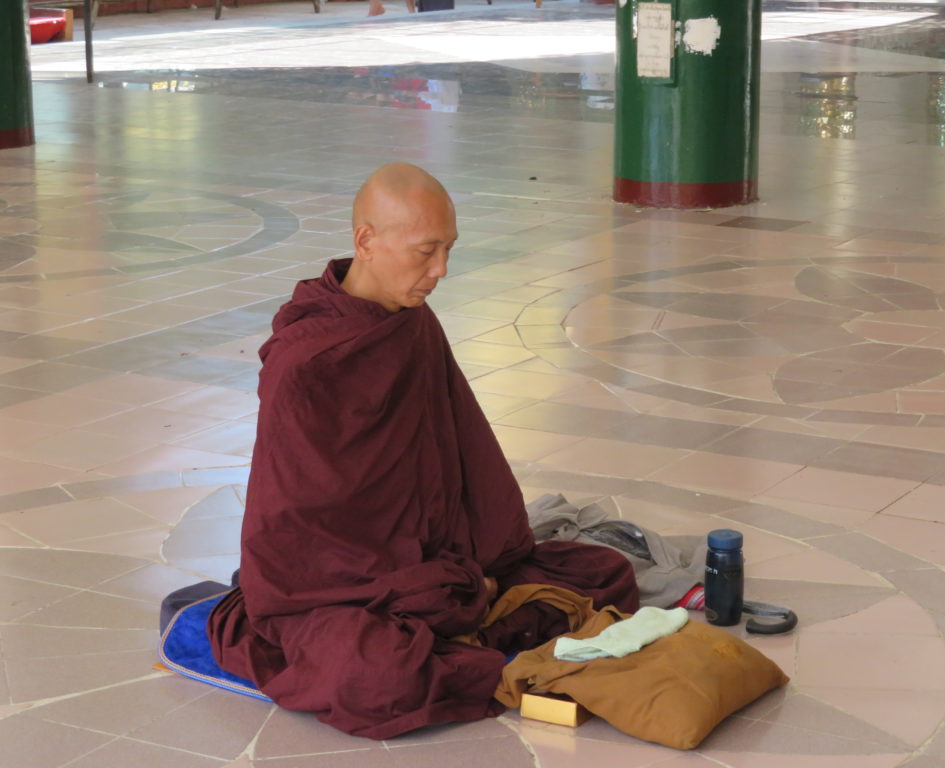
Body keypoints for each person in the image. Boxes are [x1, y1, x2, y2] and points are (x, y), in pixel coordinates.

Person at [207, 163, 639, 739]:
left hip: (435, 562)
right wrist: (435, 587)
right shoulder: (306, 362)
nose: (441, 271)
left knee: (604, 569)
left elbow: (460, 454)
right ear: (366, 241)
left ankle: (460, 630)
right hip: (341, 586)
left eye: (449, 250)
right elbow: (298, 536)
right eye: (426, 252)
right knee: (375, 676)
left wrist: (464, 569)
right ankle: (471, 635)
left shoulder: (411, 321)